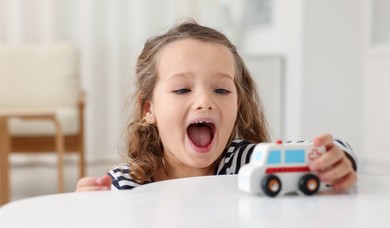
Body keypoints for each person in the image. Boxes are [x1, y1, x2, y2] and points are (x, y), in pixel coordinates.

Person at [76, 20, 357, 192]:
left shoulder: (244, 163)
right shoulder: (127, 183)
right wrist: (91, 209)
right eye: (183, 89)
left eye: (221, 89)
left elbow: (325, 152)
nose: (205, 102)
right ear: (149, 109)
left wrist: (335, 161)